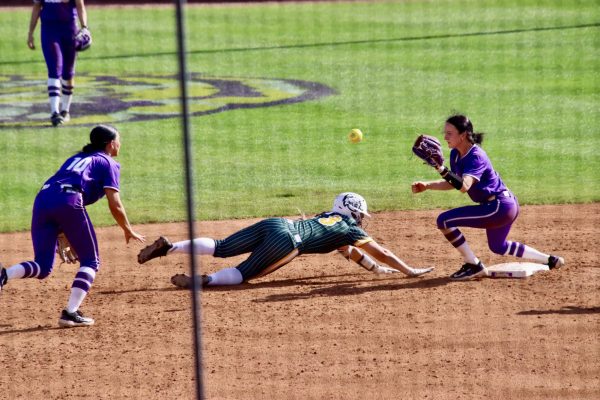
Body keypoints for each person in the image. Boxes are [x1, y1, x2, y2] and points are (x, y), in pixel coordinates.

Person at [0, 125, 145, 327]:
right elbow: (115, 203)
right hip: (67, 200)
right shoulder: (107, 162)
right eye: (118, 140)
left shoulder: (75, 158)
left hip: (43, 200)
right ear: (111, 144)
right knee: (91, 262)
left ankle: (4, 275)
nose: (120, 144)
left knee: (43, 267)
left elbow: (59, 192)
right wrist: (127, 229)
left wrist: (62, 232)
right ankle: (70, 313)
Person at [137, 192, 434, 287]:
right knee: (242, 275)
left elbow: (348, 253)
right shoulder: (350, 229)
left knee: (221, 246)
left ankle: (170, 247)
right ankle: (207, 281)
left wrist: (375, 271)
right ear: (353, 212)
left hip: (277, 223)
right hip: (288, 244)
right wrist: (408, 270)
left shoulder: (327, 218)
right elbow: (379, 251)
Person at [411, 114, 564, 280]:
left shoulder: (476, 156)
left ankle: (473, 264)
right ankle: (550, 260)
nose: (445, 137)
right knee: (498, 246)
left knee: (444, 220)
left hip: (498, 207)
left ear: (462, 135)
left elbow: (464, 186)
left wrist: (441, 168)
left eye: (449, 133)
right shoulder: (456, 154)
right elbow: (454, 182)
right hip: (505, 205)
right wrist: (427, 185)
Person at [27, 0, 90, 127]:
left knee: (68, 73)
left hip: (69, 29)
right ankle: (54, 113)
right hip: (49, 30)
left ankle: (65, 111)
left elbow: (80, 5)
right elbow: (36, 7)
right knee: (54, 68)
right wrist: (30, 33)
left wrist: (84, 27)